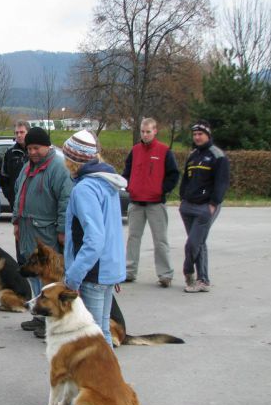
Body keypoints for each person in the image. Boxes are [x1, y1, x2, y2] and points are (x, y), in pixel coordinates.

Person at [61, 130, 126, 347]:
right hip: (106, 269)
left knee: (93, 338)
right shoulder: (106, 184)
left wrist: (73, 276)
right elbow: (113, 231)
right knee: (102, 331)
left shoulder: (85, 189)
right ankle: (107, 379)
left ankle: (101, 380)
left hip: (92, 273)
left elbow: (95, 238)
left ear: (73, 160)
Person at [13, 127, 72, 338]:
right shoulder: (27, 167)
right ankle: (39, 316)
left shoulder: (58, 168)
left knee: (50, 279)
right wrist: (16, 221)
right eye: (29, 148)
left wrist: (62, 230)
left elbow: (65, 201)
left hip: (47, 232)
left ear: (47, 146)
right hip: (28, 230)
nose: (32, 152)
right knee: (34, 277)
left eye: (36, 147)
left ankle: (51, 322)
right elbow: (19, 193)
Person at [122, 117, 179, 287]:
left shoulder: (164, 151)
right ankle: (129, 271)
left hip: (155, 203)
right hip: (136, 202)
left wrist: (161, 190)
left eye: (148, 131)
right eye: (143, 131)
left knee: (160, 240)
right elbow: (127, 171)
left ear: (155, 131)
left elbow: (174, 174)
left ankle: (165, 274)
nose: (145, 134)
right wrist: (128, 186)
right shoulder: (135, 150)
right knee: (133, 238)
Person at [179, 120, 230, 293]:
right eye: (194, 135)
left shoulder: (217, 155)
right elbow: (186, 179)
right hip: (188, 205)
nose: (197, 137)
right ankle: (203, 280)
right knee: (199, 242)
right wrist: (183, 199)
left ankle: (188, 272)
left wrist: (213, 204)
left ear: (208, 134)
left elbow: (222, 182)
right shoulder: (193, 155)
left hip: (206, 207)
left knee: (193, 244)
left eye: (200, 134)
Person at [0, 120, 30, 208]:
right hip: (16, 202)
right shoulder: (9, 153)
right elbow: (4, 177)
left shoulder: (35, 152)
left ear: (28, 133)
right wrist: (10, 196)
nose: (19, 135)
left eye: (22, 132)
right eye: (16, 133)